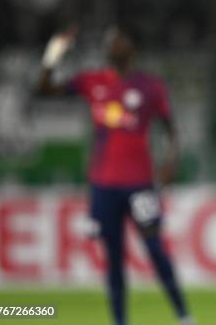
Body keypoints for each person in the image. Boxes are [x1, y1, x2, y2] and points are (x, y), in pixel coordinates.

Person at [36, 27, 195, 325]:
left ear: (131, 47)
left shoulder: (150, 86)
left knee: (155, 248)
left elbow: (171, 128)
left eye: (118, 40)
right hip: (104, 184)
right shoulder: (92, 81)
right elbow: (45, 90)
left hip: (140, 183)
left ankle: (184, 316)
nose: (112, 45)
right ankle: (120, 321)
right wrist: (53, 55)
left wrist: (171, 162)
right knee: (113, 257)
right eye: (109, 41)